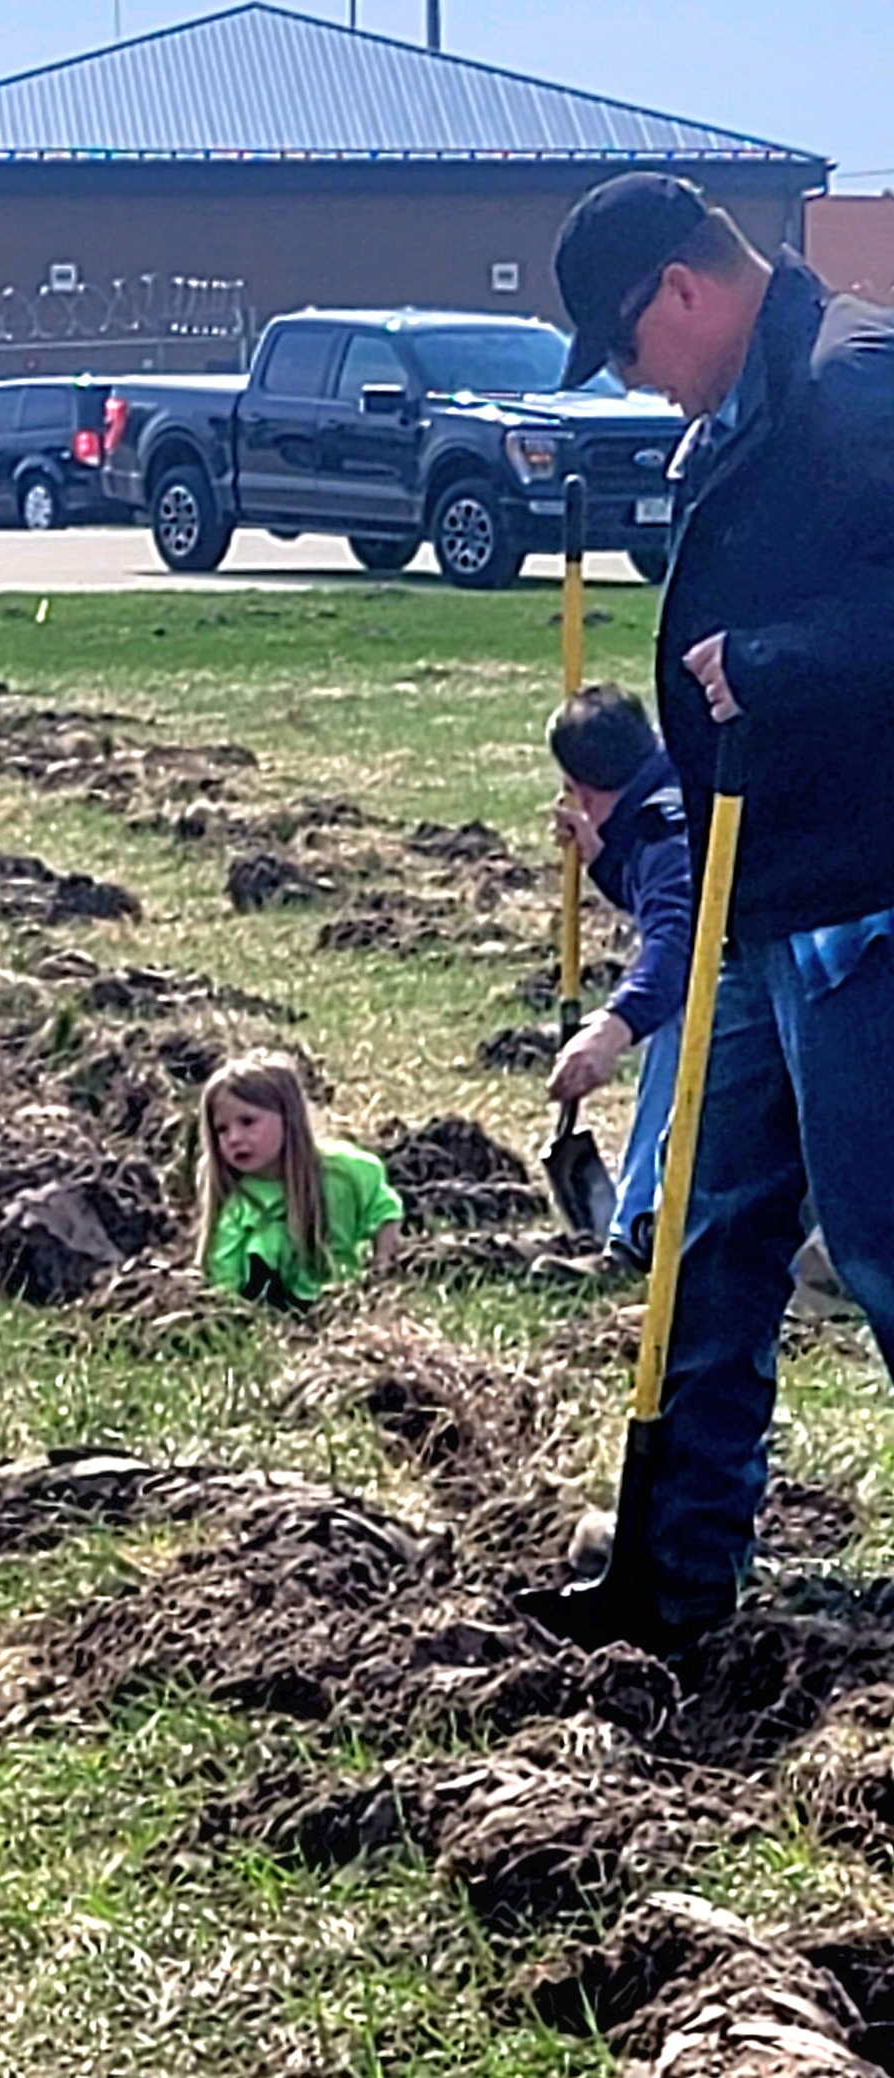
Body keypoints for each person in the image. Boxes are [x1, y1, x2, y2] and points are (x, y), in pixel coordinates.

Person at [538, 169, 894, 1653]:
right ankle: (676, 1571)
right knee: (711, 1231)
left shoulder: (852, 382)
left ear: (681, 290)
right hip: (767, 900)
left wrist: (787, 655)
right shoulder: (743, 409)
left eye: (625, 348)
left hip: (865, 903)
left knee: (882, 1244)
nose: (633, 382)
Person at [543, 682, 691, 1274]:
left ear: (579, 788)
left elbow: (678, 942)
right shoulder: (677, 780)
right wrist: (604, 858)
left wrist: (612, 1027)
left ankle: (634, 1235)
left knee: (682, 1033)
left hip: (786, 972)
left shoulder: (665, 829)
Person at [196, 1049, 403, 1310]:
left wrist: (382, 1269)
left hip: (343, 1306)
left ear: (289, 1116)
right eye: (222, 1130)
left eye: (248, 1121)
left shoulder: (343, 1172)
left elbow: (384, 1209)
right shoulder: (239, 1205)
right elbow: (224, 1280)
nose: (234, 1138)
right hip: (272, 1320)